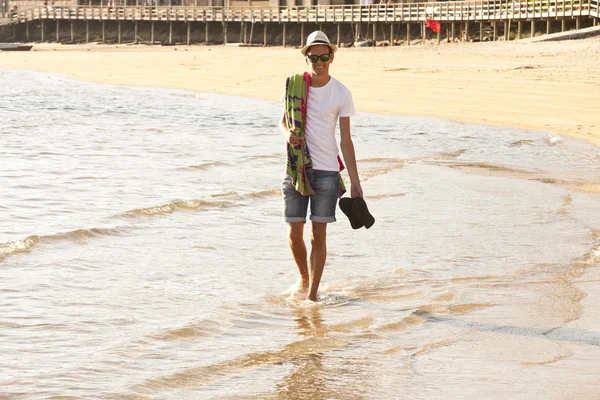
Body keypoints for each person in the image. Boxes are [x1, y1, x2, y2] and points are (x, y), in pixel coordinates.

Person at [279, 31, 363, 302]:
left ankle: (312, 296)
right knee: (294, 233)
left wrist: (355, 182)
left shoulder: (341, 93)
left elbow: (347, 142)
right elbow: (282, 122)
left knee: (319, 236)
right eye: (313, 56)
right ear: (306, 58)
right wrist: (287, 135)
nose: (319, 61)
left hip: (327, 170)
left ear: (332, 57)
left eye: (324, 56)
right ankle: (304, 278)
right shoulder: (293, 85)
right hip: (296, 169)